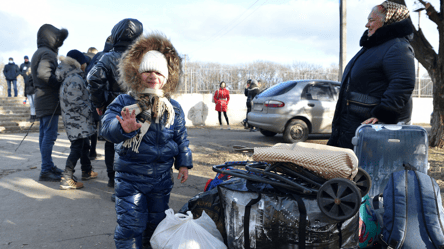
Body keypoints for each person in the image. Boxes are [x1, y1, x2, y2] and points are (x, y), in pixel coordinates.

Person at [100, 32, 193, 249]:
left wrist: (184, 162)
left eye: (159, 72)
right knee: (131, 226)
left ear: (167, 77)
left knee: (156, 224)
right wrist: (122, 128)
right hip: (131, 178)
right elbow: (106, 127)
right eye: (147, 71)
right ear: (137, 73)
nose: (153, 76)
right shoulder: (124, 101)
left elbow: (181, 137)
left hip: (161, 179)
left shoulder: (173, 108)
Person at [328, 1, 415, 149]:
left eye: (371, 20)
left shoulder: (397, 47)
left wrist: (383, 115)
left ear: (387, 21)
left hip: (371, 129)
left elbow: (403, 82)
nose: (366, 25)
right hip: (354, 125)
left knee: (364, 170)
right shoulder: (375, 46)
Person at [87, 18, 143, 189]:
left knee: (112, 142)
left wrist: (99, 102)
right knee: (137, 142)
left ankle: (113, 179)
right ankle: (133, 180)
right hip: (139, 106)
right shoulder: (142, 57)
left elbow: (93, 78)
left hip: (114, 105)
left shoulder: (108, 57)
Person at [31, 24, 68, 181]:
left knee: (44, 134)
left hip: (41, 98)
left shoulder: (38, 52)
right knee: (50, 135)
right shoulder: (47, 53)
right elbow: (43, 73)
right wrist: (59, 83)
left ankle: (48, 165)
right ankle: (46, 169)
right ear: (51, 38)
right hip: (48, 99)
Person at [57, 49, 98, 190]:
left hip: (77, 120)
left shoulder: (71, 76)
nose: (86, 65)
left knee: (83, 145)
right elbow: (75, 101)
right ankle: (67, 177)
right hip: (77, 120)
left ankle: (86, 171)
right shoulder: (74, 78)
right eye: (84, 62)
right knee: (76, 148)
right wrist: (90, 111)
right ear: (79, 63)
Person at [85, 36, 113, 158]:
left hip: (96, 97)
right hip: (111, 97)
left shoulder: (98, 56)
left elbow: (88, 74)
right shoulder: (118, 56)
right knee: (111, 131)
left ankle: (92, 152)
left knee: (93, 126)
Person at [20, 56, 35, 121]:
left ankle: (35, 116)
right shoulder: (26, 77)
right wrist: (25, 94)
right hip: (29, 92)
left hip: (33, 92)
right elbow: (26, 85)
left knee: (34, 105)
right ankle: (32, 116)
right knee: (32, 105)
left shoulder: (34, 76)